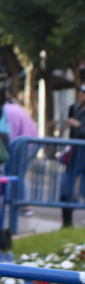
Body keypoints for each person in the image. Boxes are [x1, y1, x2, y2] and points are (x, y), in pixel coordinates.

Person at [60, 86, 85, 227]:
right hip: (75, 156)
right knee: (66, 189)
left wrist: (78, 125)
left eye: (84, 91)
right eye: (80, 90)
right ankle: (66, 224)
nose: (81, 93)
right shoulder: (75, 108)